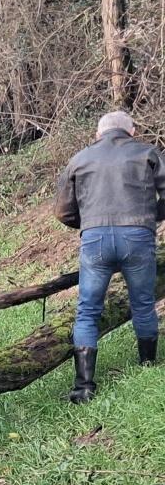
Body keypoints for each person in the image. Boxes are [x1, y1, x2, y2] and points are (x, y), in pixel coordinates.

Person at [54, 111, 165, 403]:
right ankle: (148, 367)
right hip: (138, 237)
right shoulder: (148, 153)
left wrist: (91, 224)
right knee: (142, 303)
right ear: (132, 130)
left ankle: (84, 387)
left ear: (97, 134)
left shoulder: (79, 159)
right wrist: (151, 218)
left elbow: (63, 211)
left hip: (95, 240)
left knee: (88, 309)